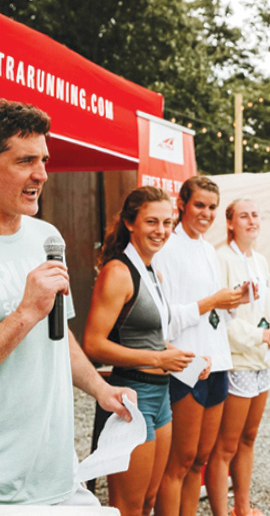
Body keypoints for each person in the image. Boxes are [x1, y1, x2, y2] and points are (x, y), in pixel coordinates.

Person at [0, 99, 134, 506]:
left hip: (57, 473)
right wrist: (24, 312)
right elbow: (33, 317)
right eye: (26, 161)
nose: (41, 174)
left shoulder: (47, 236)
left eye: (44, 160)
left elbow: (60, 337)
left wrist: (100, 388)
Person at [83, 186, 195, 516]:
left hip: (160, 397)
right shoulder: (118, 272)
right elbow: (93, 344)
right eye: (151, 222)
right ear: (131, 223)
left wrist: (184, 360)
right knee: (128, 506)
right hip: (131, 396)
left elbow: (149, 337)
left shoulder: (152, 270)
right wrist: (159, 358)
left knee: (149, 500)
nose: (160, 231)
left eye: (167, 223)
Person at [154, 176, 250, 516]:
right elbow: (164, 319)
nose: (206, 213)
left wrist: (234, 301)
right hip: (187, 362)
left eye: (212, 207)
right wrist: (212, 300)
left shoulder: (209, 250)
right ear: (181, 205)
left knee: (201, 460)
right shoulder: (167, 248)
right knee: (178, 461)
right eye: (199, 205)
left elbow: (218, 316)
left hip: (218, 361)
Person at [206, 199, 270, 516]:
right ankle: (220, 510)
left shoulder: (259, 259)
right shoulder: (220, 259)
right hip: (236, 361)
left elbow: (265, 311)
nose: (252, 221)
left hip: (261, 362)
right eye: (244, 216)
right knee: (225, 445)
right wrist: (258, 335)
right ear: (230, 223)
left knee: (249, 437)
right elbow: (221, 317)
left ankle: (242, 506)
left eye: (255, 215)